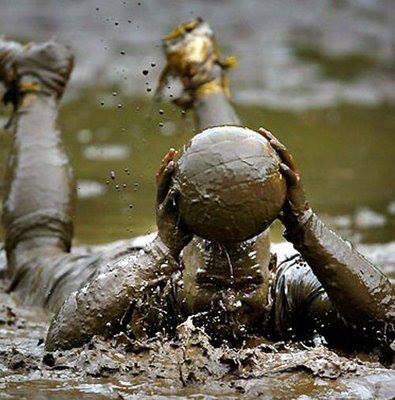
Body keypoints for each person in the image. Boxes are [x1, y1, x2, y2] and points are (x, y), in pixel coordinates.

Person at [0, 21, 393, 359]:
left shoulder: (291, 285)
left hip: (176, 248)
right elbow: (60, 344)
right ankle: (38, 84)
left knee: (235, 175)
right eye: (208, 285)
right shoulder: (150, 291)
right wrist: (160, 251)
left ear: (271, 268)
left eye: (247, 286)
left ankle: (203, 78)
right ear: (180, 272)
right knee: (34, 258)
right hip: (136, 264)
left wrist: (306, 227)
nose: (230, 305)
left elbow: (388, 325)